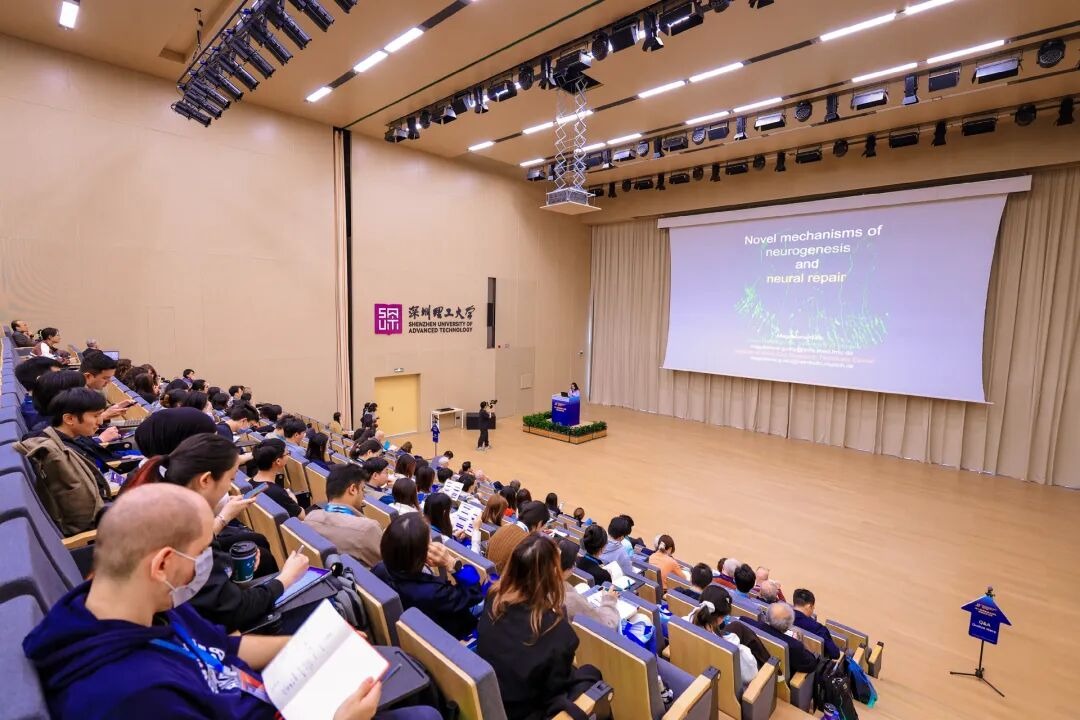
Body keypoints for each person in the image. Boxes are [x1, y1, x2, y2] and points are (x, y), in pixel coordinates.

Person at [23, 484, 429, 720]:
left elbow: (227, 647)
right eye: (202, 552)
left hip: (268, 695)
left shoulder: (143, 606)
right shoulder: (131, 696)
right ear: (163, 562)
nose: (206, 565)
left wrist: (319, 645)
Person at [124, 434, 310, 632]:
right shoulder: (186, 531)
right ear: (205, 480)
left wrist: (228, 563)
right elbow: (234, 610)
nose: (230, 487)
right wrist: (287, 577)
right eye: (230, 479)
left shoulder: (160, 503)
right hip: (190, 633)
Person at [478, 534, 603, 720]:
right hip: (525, 711)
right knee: (592, 673)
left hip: (493, 696)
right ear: (553, 575)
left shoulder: (493, 598)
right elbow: (554, 692)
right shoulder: (557, 631)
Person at [14, 388, 113, 536]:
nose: (100, 421)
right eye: (96, 415)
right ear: (69, 419)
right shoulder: (57, 456)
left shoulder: (58, 440)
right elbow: (84, 518)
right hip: (99, 531)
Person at [372, 513, 484, 640]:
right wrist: (452, 563)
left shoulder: (379, 568)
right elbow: (474, 593)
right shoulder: (433, 592)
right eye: (428, 539)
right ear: (421, 553)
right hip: (454, 636)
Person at [686, 585, 771, 691]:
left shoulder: (684, 621)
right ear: (721, 618)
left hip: (691, 667)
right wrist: (744, 649)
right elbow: (750, 675)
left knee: (737, 626)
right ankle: (772, 666)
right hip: (721, 686)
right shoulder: (732, 646)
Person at [305, 464, 383, 568]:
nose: (363, 496)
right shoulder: (368, 528)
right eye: (362, 490)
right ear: (353, 489)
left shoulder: (310, 517)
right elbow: (389, 567)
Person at [557, 539, 618, 629]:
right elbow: (607, 626)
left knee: (583, 586)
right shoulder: (572, 600)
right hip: (580, 634)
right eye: (572, 563)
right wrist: (609, 601)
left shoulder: (536, 583)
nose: (574, 566)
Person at [746, 602, 819, 673]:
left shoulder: (746, 622)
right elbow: (811, 664)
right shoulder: (794, 646)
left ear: (767, 617)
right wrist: (802, 643)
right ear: (789, 625)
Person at [487, 501, 549, 576]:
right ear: (539, 523)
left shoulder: (504, 527)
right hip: (503, 583)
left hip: (489, 579)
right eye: (543, 526)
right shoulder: (527, 543)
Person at [248, 441, 305, 519]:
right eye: (287, 454)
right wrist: (293, 499)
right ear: (278, 461)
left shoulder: (251, 483)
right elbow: (302, 516)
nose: (288, 456)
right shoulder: (277, 493)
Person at [14, 355, 62, 429]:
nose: (64, 378)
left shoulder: (35, 403)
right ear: (41, 379)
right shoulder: (41, 417)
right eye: (58, 375)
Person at [791, 588, 841, 659]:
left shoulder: (782, 618)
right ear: (809, 606)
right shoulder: (817, 628)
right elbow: (835, 654)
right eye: (813, 607)